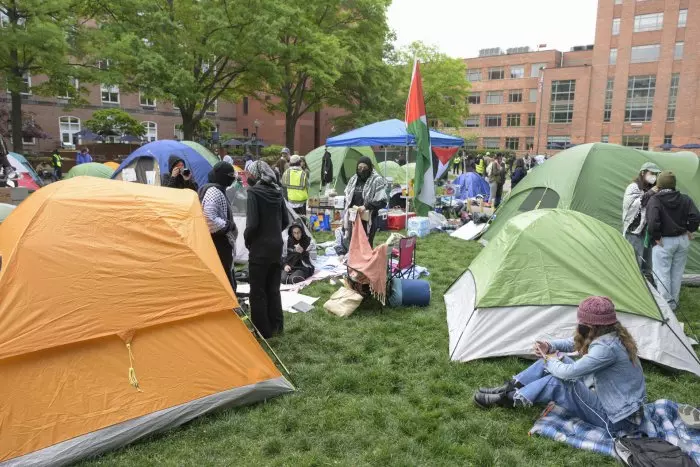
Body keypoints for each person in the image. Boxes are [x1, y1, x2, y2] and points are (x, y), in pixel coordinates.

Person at [475, 296, 647, 435]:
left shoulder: (606, 349)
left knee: (558, 382)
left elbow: (568, 373)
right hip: (617, 407)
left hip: (617, 421)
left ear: (590, 325)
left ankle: (508, 399)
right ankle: (508, 389)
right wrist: (550, 347)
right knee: (549, 362)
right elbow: (575, 343)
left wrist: (549, 358)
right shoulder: (612, 333)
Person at [245, 160, 288, 338]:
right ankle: (277, 325)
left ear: (255, 174)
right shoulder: (277, 192)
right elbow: (286, 220)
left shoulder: (254, 193)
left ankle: (263, 330)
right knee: (273, 288)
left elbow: (253, 223)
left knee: (257, 290)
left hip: (260, 247)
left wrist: (248, 239)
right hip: (276, 246)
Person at [646, 171, 700, 310]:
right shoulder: (685, 198)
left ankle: (666, 307)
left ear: (660, 184)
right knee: (676, 273)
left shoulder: (655, 199)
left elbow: (652, 222)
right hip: (682, 240)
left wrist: (656, 237)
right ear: (673, 184)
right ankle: (673, 304)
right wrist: (689, 229)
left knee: (662, 274)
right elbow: (695, 217)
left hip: (664, 241)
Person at [199, 162, 238, 292]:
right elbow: (209, 218)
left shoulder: (217, 189)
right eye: (230, 175)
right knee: (223, 274)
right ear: (221, 176)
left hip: (220, 241)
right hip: (218, 242)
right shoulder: (213, 191)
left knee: (226, 271)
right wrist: (228, 226)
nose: (233, 178)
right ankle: (229, 304)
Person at [622, 162, 661, 276]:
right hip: (634, 231)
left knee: (647, 263)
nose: (654, 176)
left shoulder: (652, 188)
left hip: (648, 232)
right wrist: (650, 193)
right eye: (651, 173)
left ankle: (648, 286)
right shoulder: (633, 187)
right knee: (634, 262)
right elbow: (632, 205)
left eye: (656, 174)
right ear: (643, 173)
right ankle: (633, 286)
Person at [343, 156, 387, 248]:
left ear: (370, 168)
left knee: (365, 243)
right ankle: (353, 260)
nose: (362, 170)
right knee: (352, 242)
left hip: (368, 217)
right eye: (359, 168)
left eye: (365, 168)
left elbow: (383, 202)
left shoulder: (377, 180)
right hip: (353, 216)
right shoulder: (353, 179)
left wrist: (366, 206)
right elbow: (348, 196)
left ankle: (366, 261)